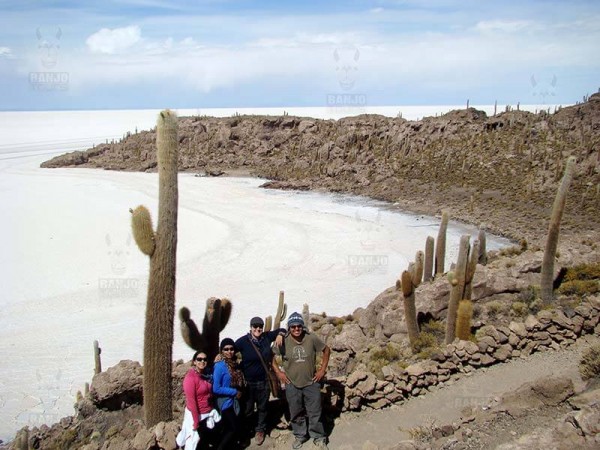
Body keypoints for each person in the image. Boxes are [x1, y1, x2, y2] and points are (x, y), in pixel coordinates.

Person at [272, 312, 331, 449]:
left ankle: (318, 437)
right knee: (295, 411)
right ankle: (300, 435)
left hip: (311, 382)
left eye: (299, 326)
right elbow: (270, 356)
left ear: (302, 326)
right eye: (293, 327)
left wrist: (322, 370)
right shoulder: (284, 340)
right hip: (292, 383)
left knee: (315, 411)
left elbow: (326, 350)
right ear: (289, 328)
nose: (296, 329)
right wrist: (279, 372)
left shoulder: (311, 338)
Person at [235, 316, 286, 445]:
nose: (258, 329)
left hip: (264, 381)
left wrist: (280, 334)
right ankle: (247, 430)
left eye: (260, 326)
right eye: (255, 326)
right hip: (249, 383)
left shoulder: (266, 337)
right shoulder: (243, 341)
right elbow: (231, 350)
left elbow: (283, 329)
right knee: (248, 409)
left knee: (263, 407)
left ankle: (260, 430)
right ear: (251, 327)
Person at [176, 351, 221, 450]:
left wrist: (216, 362)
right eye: (199, 359)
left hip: (206, 412)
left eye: (204, 359)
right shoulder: (190, 378)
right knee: (192, 440)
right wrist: (196, 421)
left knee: (201, 440)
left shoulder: (206, 374)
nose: (202, 361)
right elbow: (192, 402)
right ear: (194, 362)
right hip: (195, 414)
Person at [213, 338, 244, 450]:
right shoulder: (220, 366)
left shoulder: (234, 364)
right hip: (224, 402)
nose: (229, 351)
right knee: (232, 428)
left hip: (233, 401)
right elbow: (216, 388)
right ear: (222, 351)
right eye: (226, 349)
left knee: (228, 428)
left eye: (231, 349)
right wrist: (234, 392)